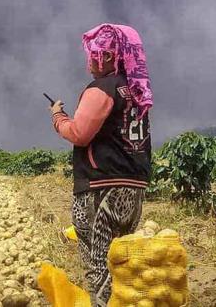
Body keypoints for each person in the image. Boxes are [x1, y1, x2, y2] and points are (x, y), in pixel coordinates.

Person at [50, 24, 152, 307]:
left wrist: (59, 117)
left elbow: (80, 134)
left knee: (99, 264)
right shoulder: (137, 92)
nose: (89, 62)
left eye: (93, 54)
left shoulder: (101, 89)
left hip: (100, 185)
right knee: (123, 258)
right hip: (134, 186)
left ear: (107, 56)